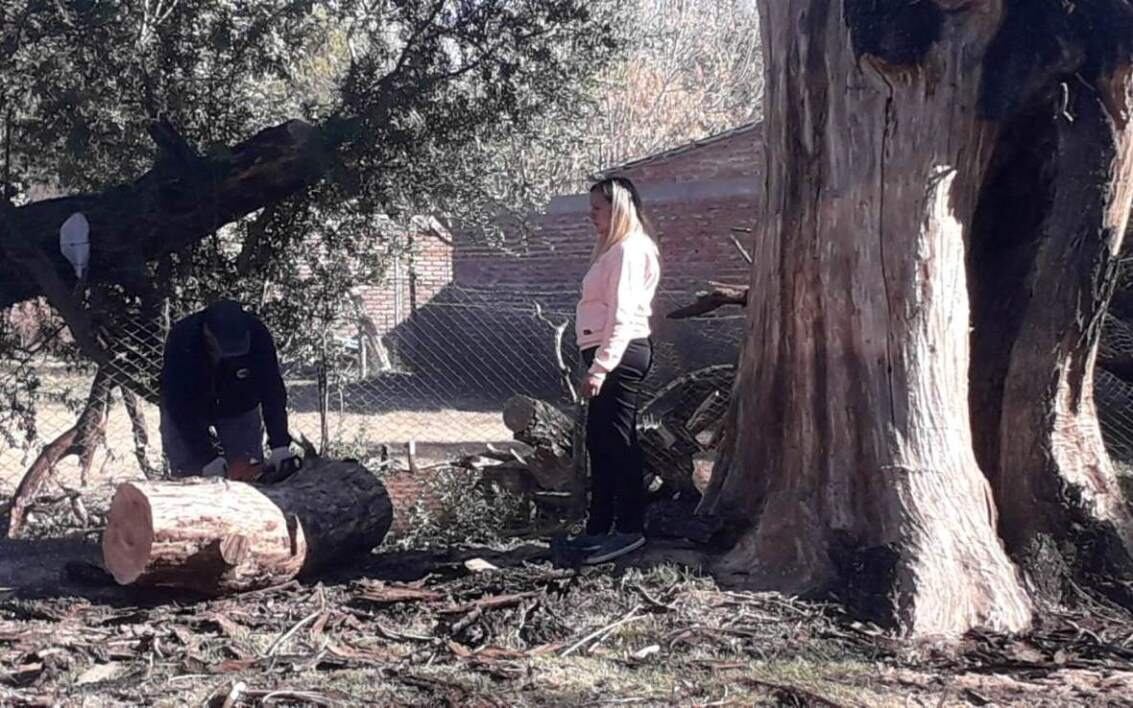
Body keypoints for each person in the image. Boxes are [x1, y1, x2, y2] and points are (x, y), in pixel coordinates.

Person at [570, 176, 661, 564]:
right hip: (608, 356)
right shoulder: (616, 250)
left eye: (598, 207)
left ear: (618, 207)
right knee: (599, 442)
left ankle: (629, 527)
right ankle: (598, 526)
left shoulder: (629, 249)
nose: (591, 215)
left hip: (620, 357)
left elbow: (623, 314)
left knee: (619, 443)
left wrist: (602, 367)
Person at [159, 299, 296, 479]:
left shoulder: (258, 334)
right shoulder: (182, 339)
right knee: (190, 474)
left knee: (247, 475)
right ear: (208, 334)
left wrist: (280, 444)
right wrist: (206, 457)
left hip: (239, 406)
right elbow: (178, 404)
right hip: (190, 409)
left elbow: (272, 390)